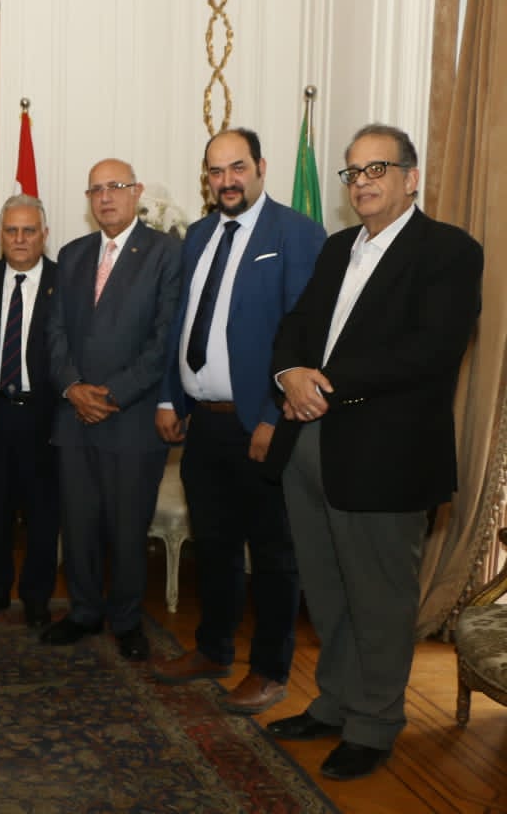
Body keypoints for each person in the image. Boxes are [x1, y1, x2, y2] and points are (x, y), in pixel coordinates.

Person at [264, 124, 482, 781]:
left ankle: (375, 724)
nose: (362, 182)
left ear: (411, 178)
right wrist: (288, 375)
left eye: (377, 169)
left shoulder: (448, 251)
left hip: (385, 455)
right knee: (328, 591)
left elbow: (431, 351)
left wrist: (320, 384)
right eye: (353, 172)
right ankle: (334, 704)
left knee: (380, 600)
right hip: (309, 444)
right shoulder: (338, 248)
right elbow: (297, 325)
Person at [152, 129, 326, 714]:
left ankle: (271, 670)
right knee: (215, 544)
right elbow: (183, 323)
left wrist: (276, 418)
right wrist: (172, 397)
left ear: (260, 167)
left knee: (273, 553)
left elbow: (305, 334)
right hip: (204, 423)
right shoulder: (200, 234)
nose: (226, 180)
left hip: (263, 424)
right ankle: (213, 649)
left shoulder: (295, 234)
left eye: (237, 168)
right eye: (215, 171)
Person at [39, 158, 181, 660]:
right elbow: (54, 330)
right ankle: (83, 611)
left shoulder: (166, 251)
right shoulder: (73, 254)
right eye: (96, 189)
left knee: (127, 528)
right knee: (77, 524)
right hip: (74, 416)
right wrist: (73, 387)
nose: (105, 197)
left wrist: (113, 395)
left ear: (137, 192)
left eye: (116, 187)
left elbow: (165, 337)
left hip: (132, 418)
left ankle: (126, 620)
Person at [0, 194, 59, 628]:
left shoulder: (65, 282)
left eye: (29, 230)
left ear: (44, 234)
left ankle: (36, 599)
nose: (20, 238)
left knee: (43, 514)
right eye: (11, 230)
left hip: (46, 415)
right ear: (0, 235)